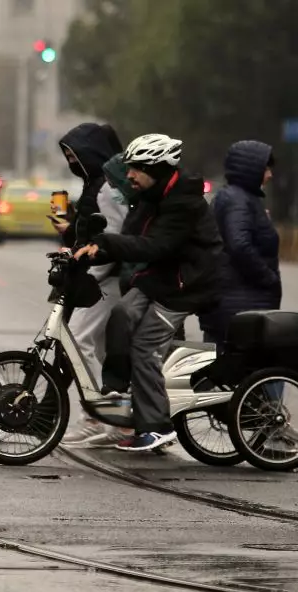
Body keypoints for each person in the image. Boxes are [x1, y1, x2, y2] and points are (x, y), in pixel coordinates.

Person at [74, 133, 224, 452]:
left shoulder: (183, 201)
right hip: (162, 276)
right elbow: (127, 238)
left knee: (144, 347)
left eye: (136, 169)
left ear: (156, 169)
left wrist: (107, 243)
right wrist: (91, 251)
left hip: (186, 283)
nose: (129, 175)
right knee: (121, 313)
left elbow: (155, 246)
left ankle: (156, 427)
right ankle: (118, 393)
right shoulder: (150, 196)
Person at [55, 124, 129, 447]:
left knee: (77, 340)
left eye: (75, 156)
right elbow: (91, 231)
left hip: (104, 280)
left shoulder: (106, 188)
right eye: (68, 157)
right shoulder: (95, 184)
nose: (72, 162)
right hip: (100, 277)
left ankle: (97, 415)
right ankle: (117, 418)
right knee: (102, 349)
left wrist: (91, 274)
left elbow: (113, 237)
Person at [199, 140, 280, 349]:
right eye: (266, 169)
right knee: (248, 363)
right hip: (239, 303)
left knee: (228, 362)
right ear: (251, 169)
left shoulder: (242, 198)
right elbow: (240, 245)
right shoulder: (237, 200)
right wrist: (268, 277)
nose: (270, 175)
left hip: (237, 301)